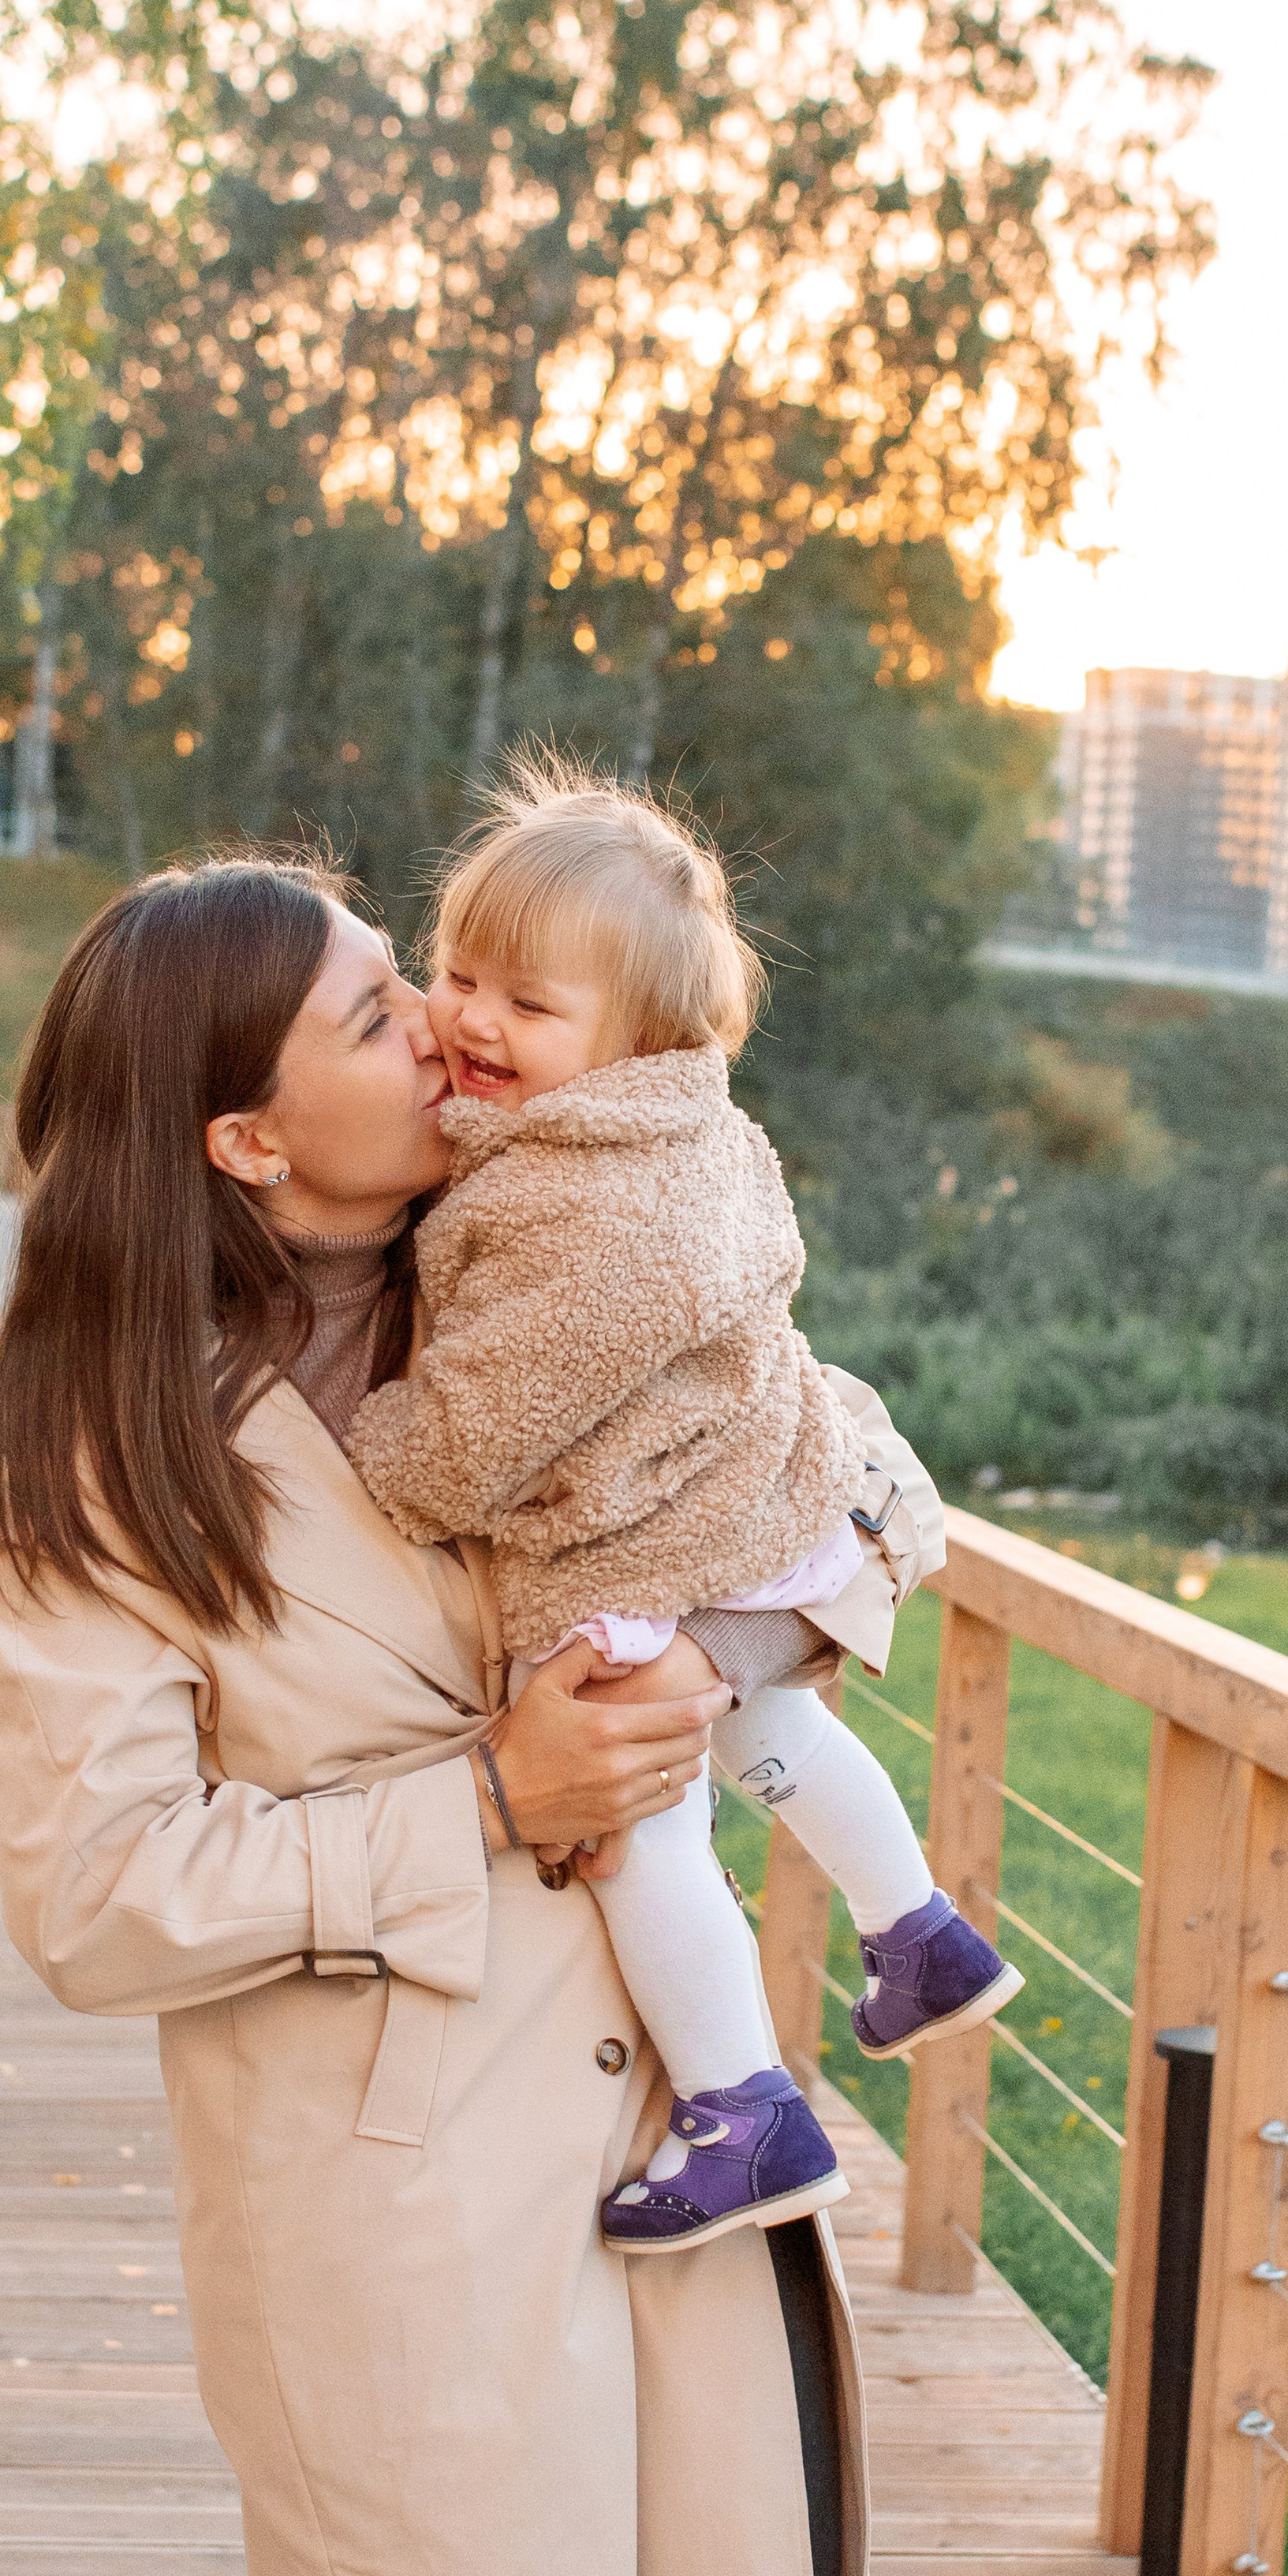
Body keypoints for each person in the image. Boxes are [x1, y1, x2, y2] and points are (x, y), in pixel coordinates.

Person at [0, 854, 886, 2576]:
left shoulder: (561, 1256)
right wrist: (489, 1802)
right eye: (384, 1015)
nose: (452, 1032)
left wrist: (802, 1608)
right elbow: (98, 1897)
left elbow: (837, 1466)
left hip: (683, 2172)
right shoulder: (109, 1449)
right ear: (245, 1137)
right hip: (400, 2245)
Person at [349, 757, 1020, 2254]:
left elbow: (485, 1423)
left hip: (646, 1534)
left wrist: (373, 1457)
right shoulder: (672, 1139)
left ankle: (743, 2109)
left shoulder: (587, 1207)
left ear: (638, 1039)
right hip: (757, 1500)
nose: (468, 1020)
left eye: (527, 1006)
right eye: (455, 973)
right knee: (772, 1730)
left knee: (641, 1819)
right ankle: (917, 1929)